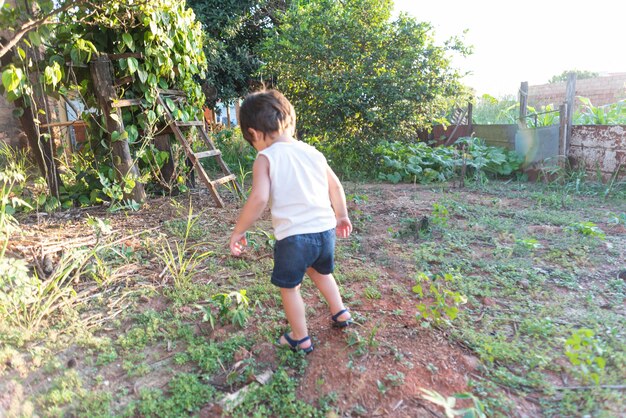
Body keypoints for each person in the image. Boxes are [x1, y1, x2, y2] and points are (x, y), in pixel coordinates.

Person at [229, 89, 353, 354]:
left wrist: (239, 230)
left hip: (294, 238)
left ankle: (300, 336)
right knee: (322, 273)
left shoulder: (266, 158)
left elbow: (260, 198)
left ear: (253, 133)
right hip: (325, 231)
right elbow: (336, 186)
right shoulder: (313, 152)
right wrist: (341, 215)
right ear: (289, 120)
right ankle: (340, 312)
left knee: (290, 288)